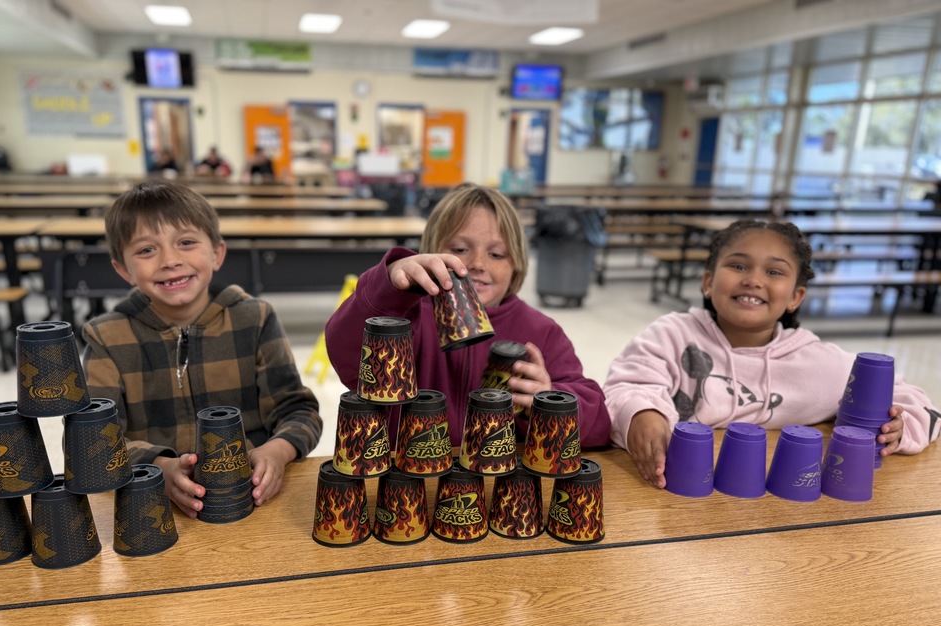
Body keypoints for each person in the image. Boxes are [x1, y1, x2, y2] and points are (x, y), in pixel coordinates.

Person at [603, 218, 940, 489]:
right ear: (707, 281)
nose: (753, 280)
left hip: (773, 509)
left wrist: (899, 428)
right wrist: (642, 413)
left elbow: (917, 402)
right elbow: (624, 387)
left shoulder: (818, 363)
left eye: (774, 272)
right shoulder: (670, 335)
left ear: (795, 297)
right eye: (738, 266)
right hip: (673, 498)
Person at [82, 181, 323, 517]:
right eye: (146, 250)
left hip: (253, 502)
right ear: (123, 270)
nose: (170, 260)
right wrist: (159, 467)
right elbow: (90, 442)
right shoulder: (106, 337)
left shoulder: (255, 319)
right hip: (152, 512)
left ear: (216, 253)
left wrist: (277, 452)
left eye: (186, 242)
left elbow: (299, 411)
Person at [324, 182, 611, 448]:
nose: (477, 264)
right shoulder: (408, 318)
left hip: (500, 481)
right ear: (430, 255)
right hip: (407, 473)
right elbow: (344, 350)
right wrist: (388, 286)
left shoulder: (541, 331)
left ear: (517, 266)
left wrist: (549, 400)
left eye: (497, 254)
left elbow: (597, 422)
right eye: (460, 249)